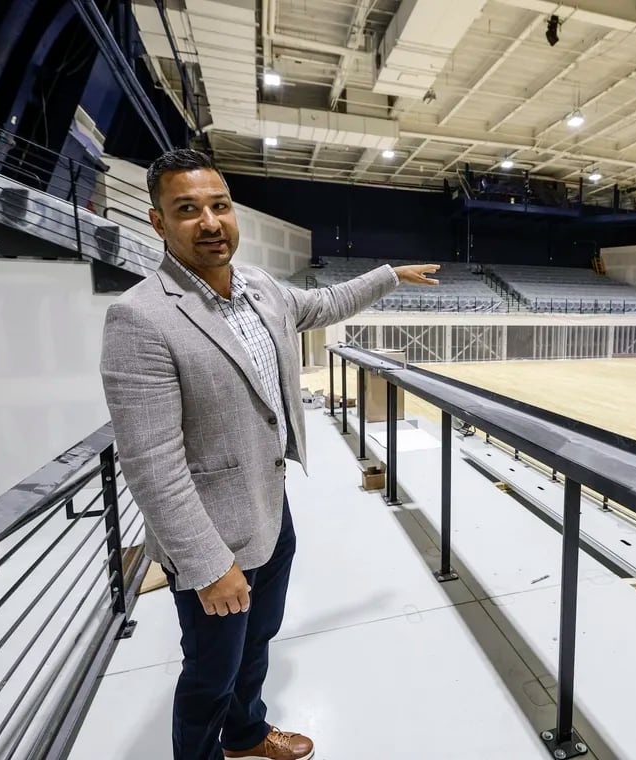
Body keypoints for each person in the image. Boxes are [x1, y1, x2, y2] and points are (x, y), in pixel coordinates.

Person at [100, 149, 440, 760]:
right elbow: (151, 466)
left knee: (258, 640)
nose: (209, 222)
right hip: (209, 536)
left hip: (270, 509)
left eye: (219, 206)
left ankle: (247, 735)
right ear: (157, 222)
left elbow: (324, 305)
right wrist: (207, 565)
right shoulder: (139, 318)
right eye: (187, 210)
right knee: (209, 672)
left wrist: (387, 275)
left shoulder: (259, 288)